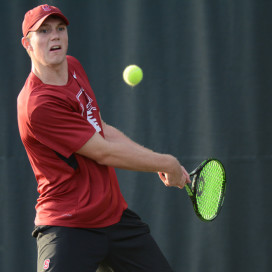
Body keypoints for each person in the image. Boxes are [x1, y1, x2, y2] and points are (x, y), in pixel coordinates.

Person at [17, 4, 191, 272]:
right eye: (44, 31)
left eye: (60, 28)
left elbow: (101, 129)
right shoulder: (38, 105)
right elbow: (103, 152)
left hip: (113, 216)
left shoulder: (73, 66)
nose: (55, 36)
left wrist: (160, 163)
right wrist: (166, 162)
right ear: (27, 43)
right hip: (68, 225)